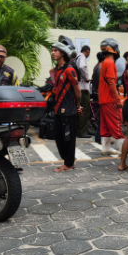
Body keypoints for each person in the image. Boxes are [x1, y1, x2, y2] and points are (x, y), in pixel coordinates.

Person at [50, 42, 82, 172]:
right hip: (58, 109)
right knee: (59, 138)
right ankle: (67, 161)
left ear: (62, 53)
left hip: (68, 110)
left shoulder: (70, 70)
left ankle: (69, 163)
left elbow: (77, 90)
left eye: (55, 50)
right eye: (52, 50)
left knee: (68, 139)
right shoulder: (56, 70)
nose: (53, 53)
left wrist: (78, 105)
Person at [99, 38, 125, 155]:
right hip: (110, 99)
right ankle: (123, 149)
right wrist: (117, 99)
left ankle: (106, 147)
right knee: (117, 123)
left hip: (103, 99)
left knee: (105, 125)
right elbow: (111, 82)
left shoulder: (104, 62)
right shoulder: (110, 63)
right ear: (114, 49)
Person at [75, 45, 92, 138]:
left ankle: (79, 130)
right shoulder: (82, 57)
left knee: (80, 109)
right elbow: (82, 67)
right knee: (84, 110)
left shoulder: (77, 57)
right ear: (88, 51)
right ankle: (82, 132)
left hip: (78, 88)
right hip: (83, 88)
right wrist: (87, 78)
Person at [91, 52, 105, 144]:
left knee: (100, 116)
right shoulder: (101, 67)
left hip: (96, 92)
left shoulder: (96, 66)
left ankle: (98, 137)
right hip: (100, 93)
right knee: (102, 116)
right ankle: (99, 137)